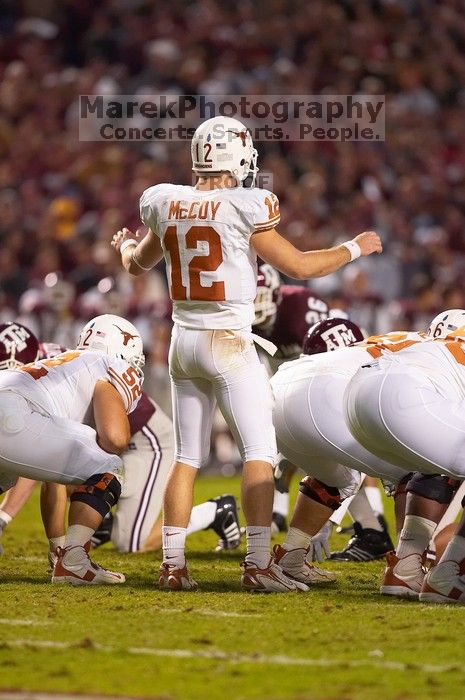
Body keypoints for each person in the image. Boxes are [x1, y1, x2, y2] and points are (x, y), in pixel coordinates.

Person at [111, 115, 382, 592]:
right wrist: (353, 249)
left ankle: (173, 565)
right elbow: (298, 264)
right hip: (230, 342)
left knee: (187, 457)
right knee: (260, 452)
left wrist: (127, 246)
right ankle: (259, 564)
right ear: (236, 156)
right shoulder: (244, 204)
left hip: (183, 341)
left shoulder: (164, 201)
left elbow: (136, 265)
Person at [0, 326, 240, 558]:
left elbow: (112, 441)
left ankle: (214, 512)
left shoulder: (95, 367)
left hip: (148, 440)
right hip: (108, 436)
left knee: (132, 541)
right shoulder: (72, 364)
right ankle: (92, 534)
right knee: (81, 467)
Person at [0, 313, 144, 585]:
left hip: (10, 398)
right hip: (13, 415)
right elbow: (114, 438)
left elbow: (52, 475)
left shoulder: (68, 363)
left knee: (7, 474)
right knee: (109, 465)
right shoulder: (109, 364)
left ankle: (66, 555)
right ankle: (74, 560)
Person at [345, 309, 465, 601]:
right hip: (407, 395)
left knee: (436, 459)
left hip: (356, 399)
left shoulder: (426, 345)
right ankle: (450, 573)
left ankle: (406, 566)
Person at [253, 263, 330, 532]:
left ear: (275, 294)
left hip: (327, 372)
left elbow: (328, 353)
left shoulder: (299, 305)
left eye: (260, 297)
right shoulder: (245, 320)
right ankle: (277, 515)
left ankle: (371, 523)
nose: (255, 306)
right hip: (288, 383)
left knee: (335, 455)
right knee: (278, 451)